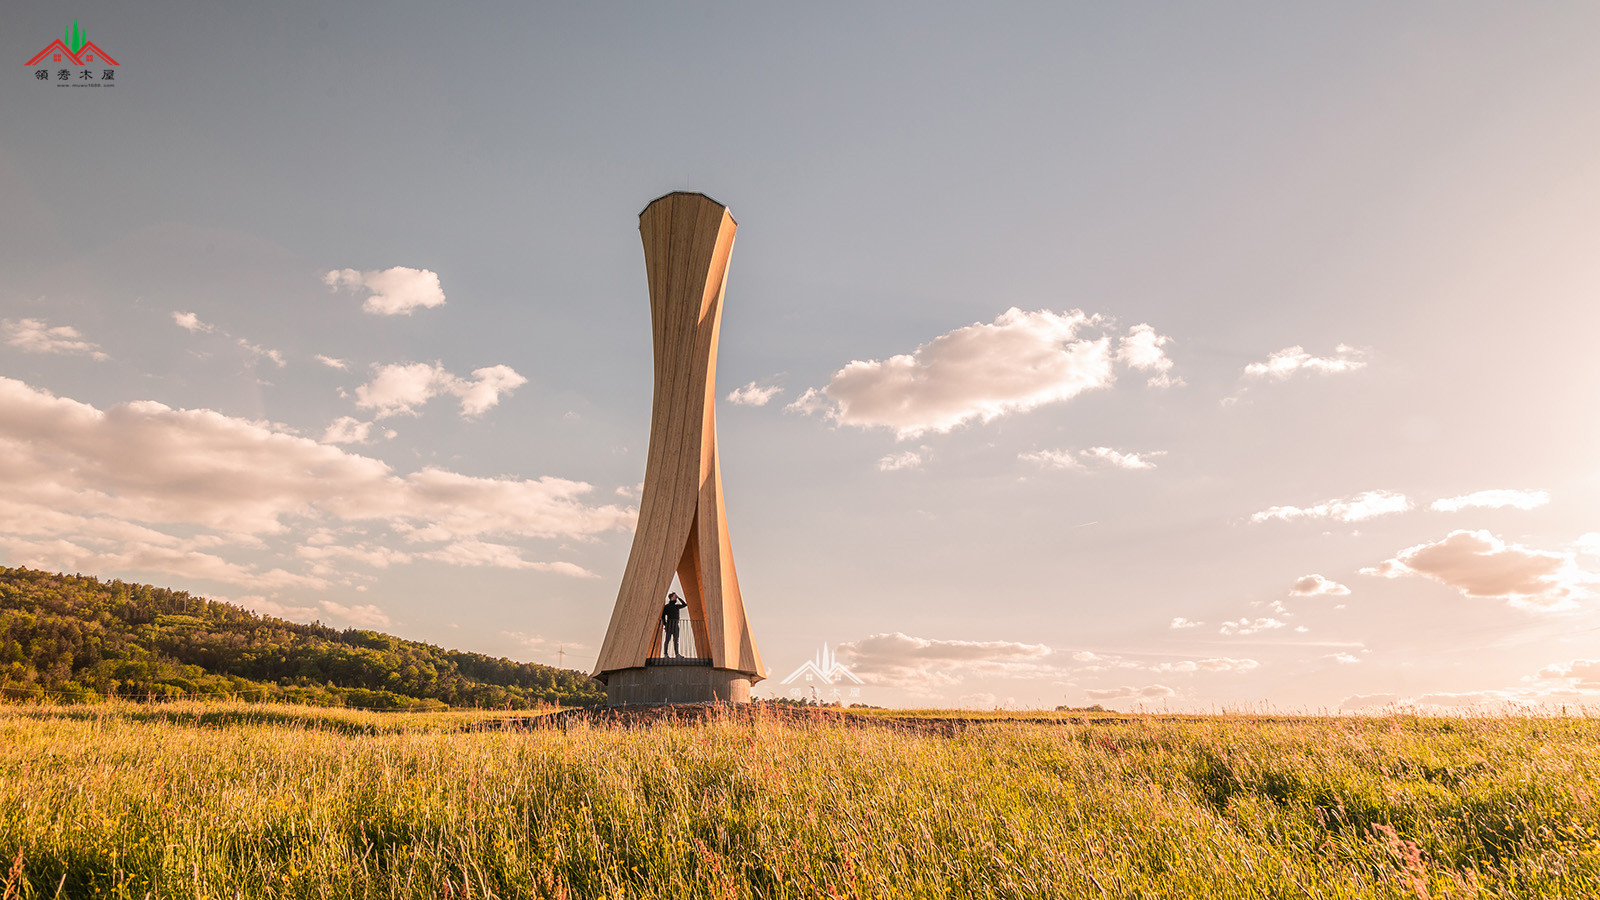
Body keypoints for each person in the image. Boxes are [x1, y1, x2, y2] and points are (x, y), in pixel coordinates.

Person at [661, 592, 688, 657]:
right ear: (671, 598)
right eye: (674, 596)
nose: (675, 597)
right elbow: (663, 616)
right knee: (667, 639)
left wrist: (679, 598)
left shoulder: (676, 606)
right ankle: (665, 653)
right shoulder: (667, 606)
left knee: (676, 640)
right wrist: (665, 624)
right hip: (669, 624)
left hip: (676, 624)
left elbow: (684, 604)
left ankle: (677, 654)